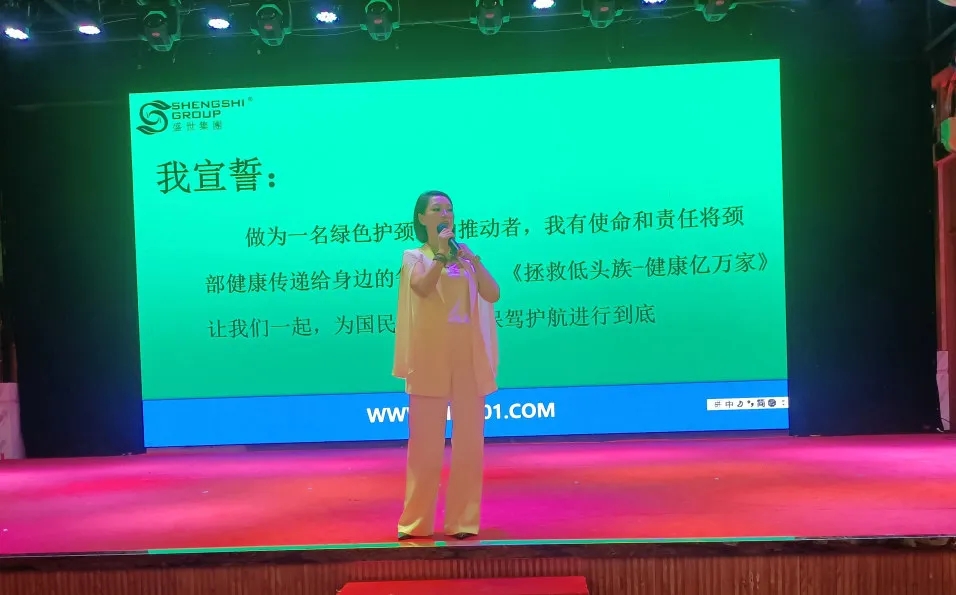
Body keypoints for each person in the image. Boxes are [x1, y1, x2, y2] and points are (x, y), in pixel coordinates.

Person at [392, 190, 500, 541]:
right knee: (425, 447)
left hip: (467, 357)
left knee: (469, 445)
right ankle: (415, 522)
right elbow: (422, 289)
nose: (445, 214)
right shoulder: (415, 257)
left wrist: (473, 260)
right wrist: (440, 254)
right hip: (429, 359)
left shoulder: (464, 256)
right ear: (422, 217)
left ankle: (463, 521)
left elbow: (492, 293)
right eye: (437, 209)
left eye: (449, 209)